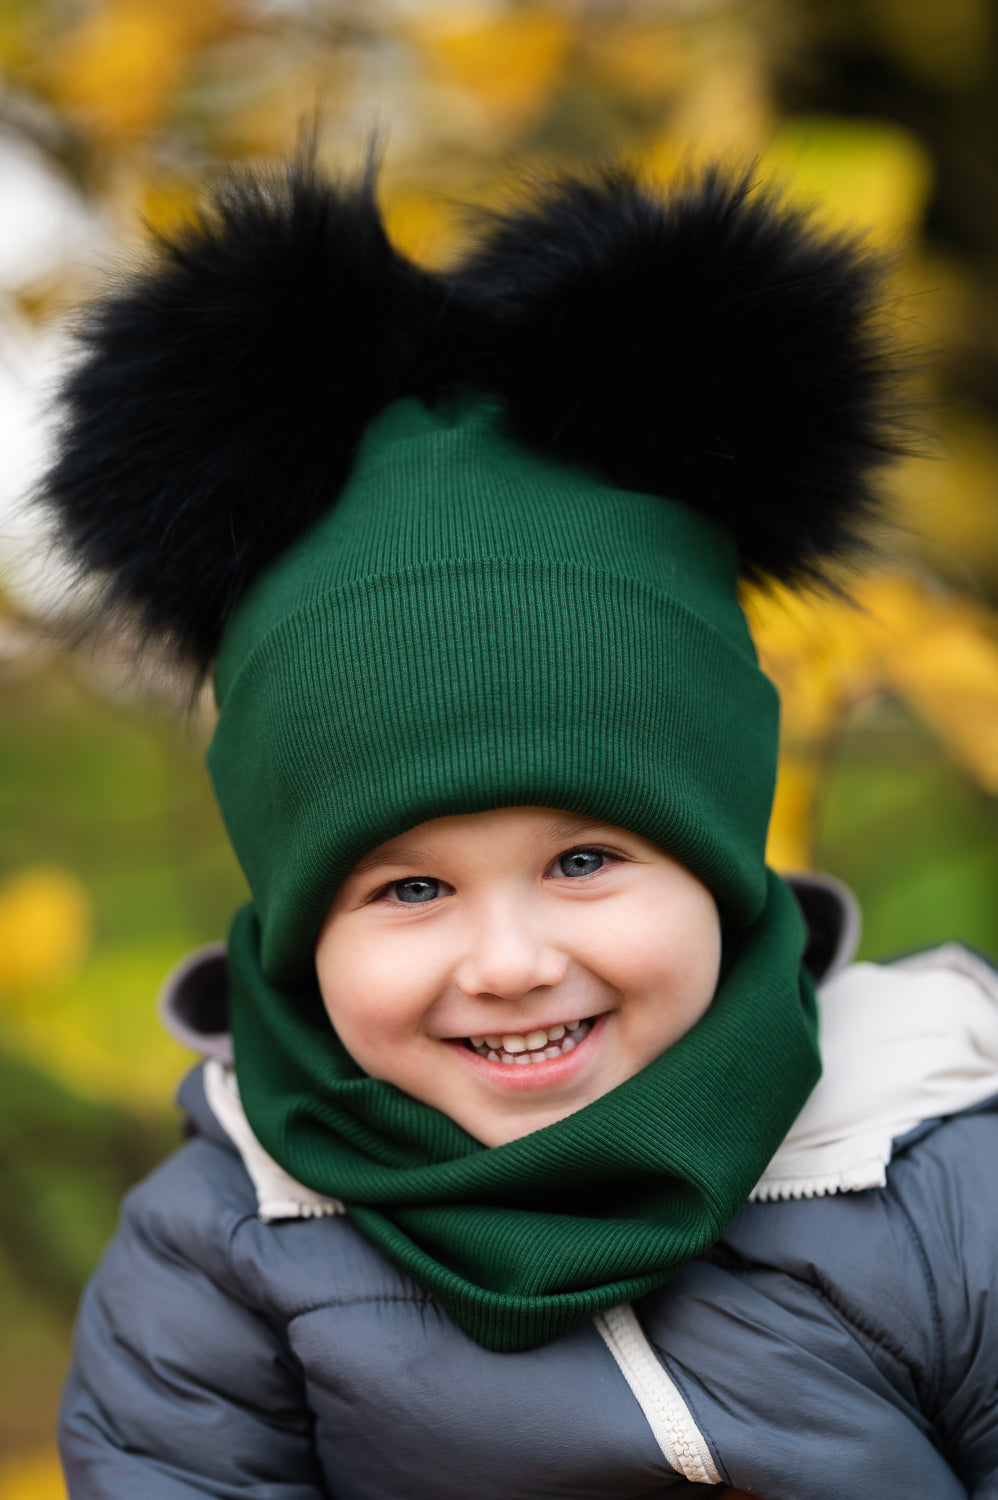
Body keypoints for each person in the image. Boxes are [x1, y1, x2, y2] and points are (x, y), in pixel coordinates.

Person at [43, 150, 998, 1499]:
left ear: (717, 860)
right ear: (299, 917)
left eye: (585, 859)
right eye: (408, 891)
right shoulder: (225, 1252)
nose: (507, 961)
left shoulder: (934, 1153)